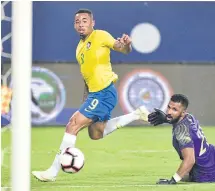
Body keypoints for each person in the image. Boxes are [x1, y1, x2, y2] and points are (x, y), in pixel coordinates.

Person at [32, 9, 149, 182]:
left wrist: (127, 44)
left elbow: (121, 48)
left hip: (104, 92)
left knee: (72, 124)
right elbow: (87, 78)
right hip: (95, 94)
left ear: (92, 22)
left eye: (85, 20)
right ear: (74, 25)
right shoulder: (79, 48)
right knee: (96, 134)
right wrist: (86, 97)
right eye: (77, 21)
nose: (81, 24)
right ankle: (137, 114)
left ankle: (53, 171)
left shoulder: (100, 35)